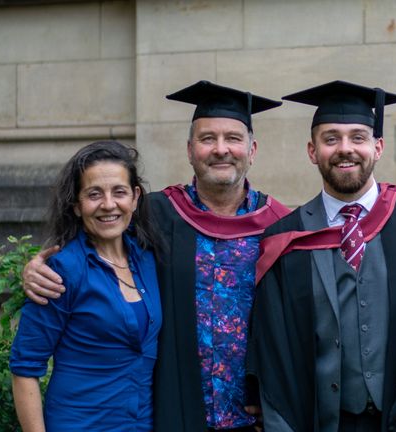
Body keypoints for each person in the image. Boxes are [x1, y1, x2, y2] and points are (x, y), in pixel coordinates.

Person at [21, 81, 290, 431]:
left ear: (251, 149)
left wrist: (279, 402)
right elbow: (92, 243)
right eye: (207, 139)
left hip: (252, 418)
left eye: (233, 139)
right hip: (168, 411)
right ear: (190, 150)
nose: (221, 149)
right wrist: (35, 267)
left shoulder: (282, 225)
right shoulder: (154, 214)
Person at [250, 80, 396, 432]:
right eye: (331, 139)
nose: (345, 149)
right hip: (323, 420)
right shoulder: (285, 238)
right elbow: (274, 349)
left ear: (377, 147)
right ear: (312, 151)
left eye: (358, 137)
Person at [10, 141, 161, 431]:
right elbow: (25, 368)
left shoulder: (148, 259)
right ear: (77, 206)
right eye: (94, 194)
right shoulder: (62, 271)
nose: (108, 204)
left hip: (141, 424)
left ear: (135, 197)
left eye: (119, 192)